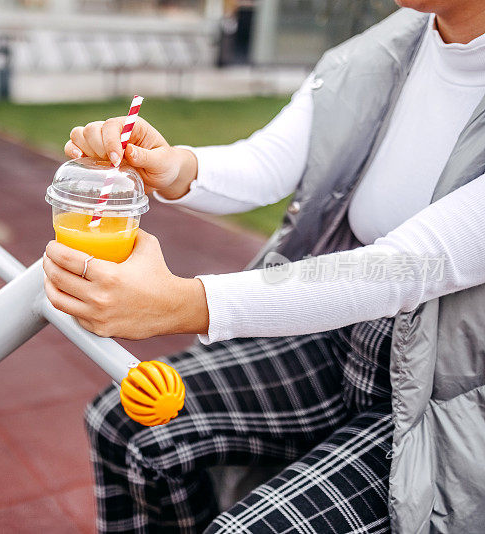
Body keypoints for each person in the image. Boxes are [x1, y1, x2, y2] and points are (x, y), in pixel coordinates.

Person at [42, 2, 485, 533]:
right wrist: (175, 166)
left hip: (454, 381)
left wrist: (185, 304)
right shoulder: (386, 47)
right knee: (125, 424)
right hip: (346, 330)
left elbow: (405, 268)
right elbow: (271, 159)